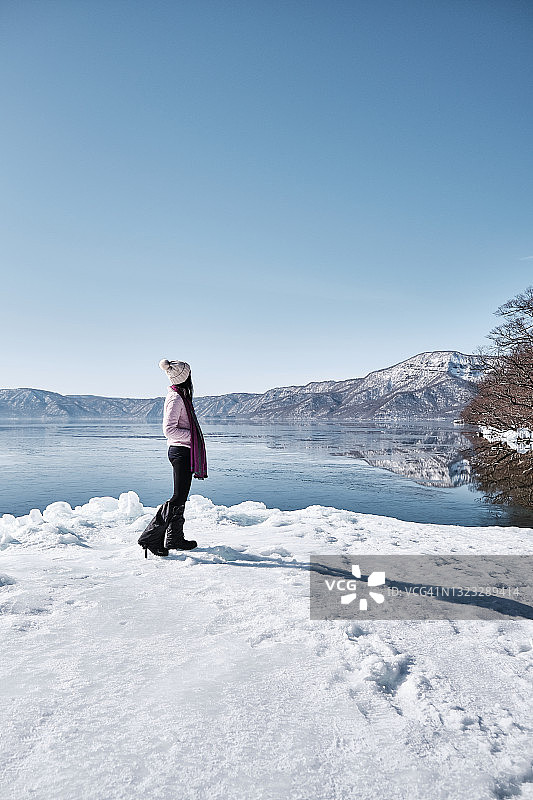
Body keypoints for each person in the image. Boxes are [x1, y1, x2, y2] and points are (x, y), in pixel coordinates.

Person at [158, 357, 208, 553]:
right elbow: (169, 430)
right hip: (180, 451)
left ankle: (174, 538)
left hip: (184, 450)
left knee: (181, 497)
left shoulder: (181, 396)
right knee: (178, 496)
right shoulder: (176, 398)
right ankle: (153, 536)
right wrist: (192, 436)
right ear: (185, 377)